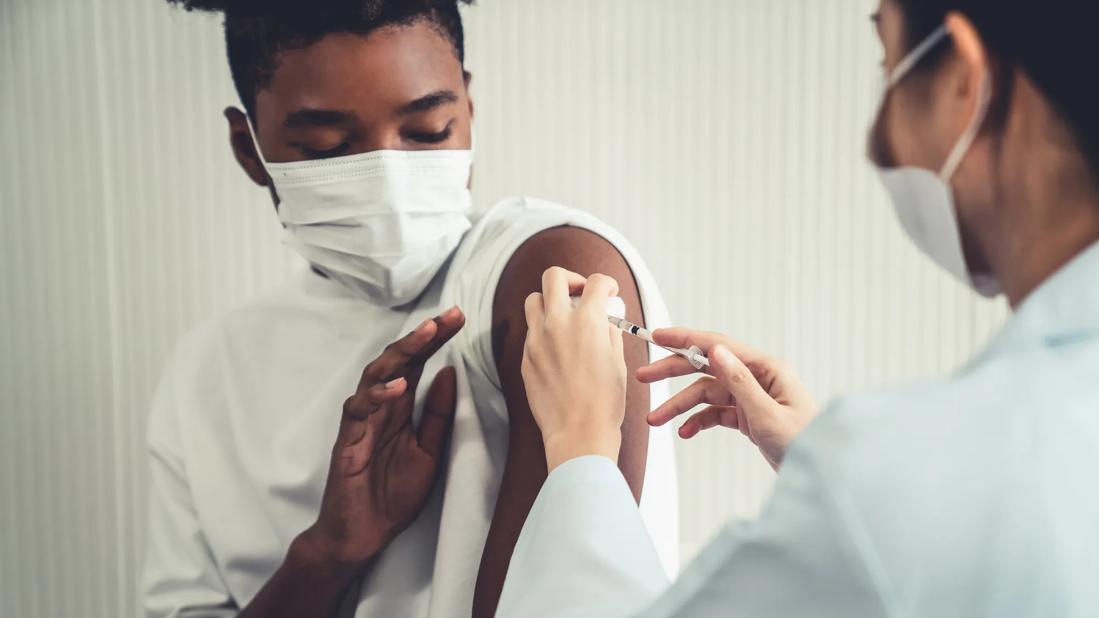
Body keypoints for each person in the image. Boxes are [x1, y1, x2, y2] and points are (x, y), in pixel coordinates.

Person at [499, 0, 1099, 615]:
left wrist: (580, 451)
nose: (876, 139)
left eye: (885, 65)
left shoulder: (910, 485)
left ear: (964, 84)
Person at [142, 1, 679, 616]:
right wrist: (328, 554)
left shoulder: (544, 265)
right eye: (326, 147)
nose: (392, 187)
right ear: (248, 147)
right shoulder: (205, 374)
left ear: (468, 108)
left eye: (428, 133)